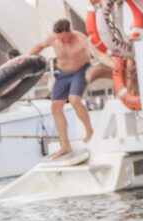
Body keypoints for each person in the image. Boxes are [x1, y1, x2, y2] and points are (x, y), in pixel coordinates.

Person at [30, 19, 110, 157]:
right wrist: (28, 58)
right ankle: (65, 145)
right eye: (59, 38)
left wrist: (112, 64)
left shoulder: (80, 39)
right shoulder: (52, 38)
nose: (61, 41)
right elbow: (39, 46)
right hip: (62, 74)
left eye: (64, 38)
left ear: (70, 32)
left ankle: (89, 131)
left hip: (81, 71)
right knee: (55, 106)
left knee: (74, 100)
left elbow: (99, 54)